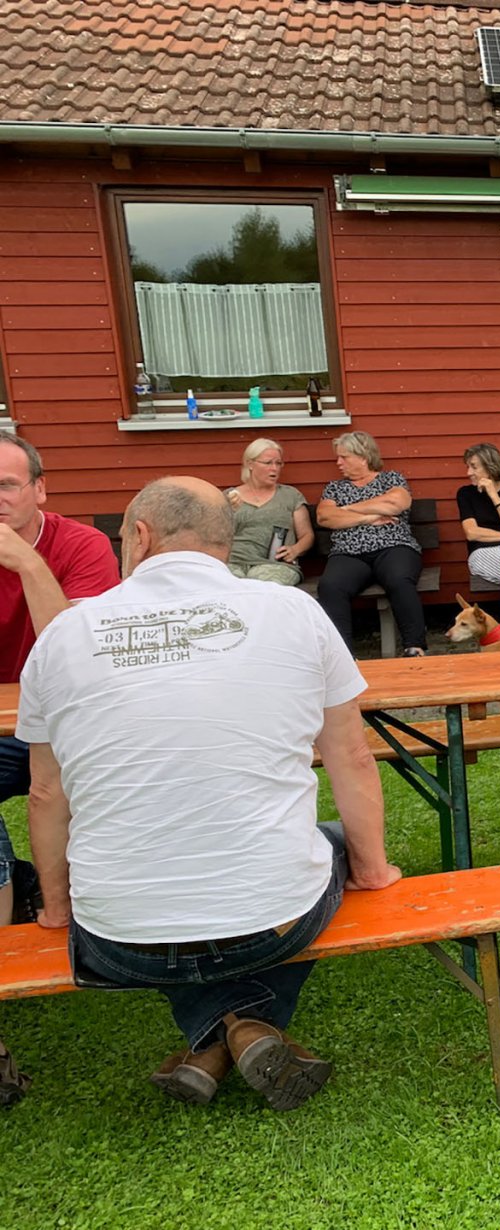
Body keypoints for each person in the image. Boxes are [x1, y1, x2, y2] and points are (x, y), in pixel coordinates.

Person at [17, 477, 402, 1108]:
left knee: (173, 879)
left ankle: (215, 1036)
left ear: (140, 537)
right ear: (225, 540)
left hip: (117, 940)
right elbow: (352, 757)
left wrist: (58, 909)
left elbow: (44, 793)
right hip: (272, 924)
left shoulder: (63, 634)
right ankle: (245, 1025)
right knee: (321, 845)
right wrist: (373, 870)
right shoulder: (295, 611)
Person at [0, 431, 120, 926]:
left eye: (6, 485)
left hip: (77, 724)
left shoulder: (82, 545)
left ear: (39, 489)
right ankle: (12, 888)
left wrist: (27, 563)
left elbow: (79, 655)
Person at [315, 431, 427, 657]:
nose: (338, 463)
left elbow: (396, 504)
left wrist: (347, 509)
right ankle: (343, 656)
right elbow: (325, 517)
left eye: (344, 457)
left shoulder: (391, 479)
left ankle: (415, 647)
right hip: (349, 553)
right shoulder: (335, 488)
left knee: (399, 579)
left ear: (363, 457)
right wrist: (368, 518)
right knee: (330, 586)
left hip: (394, 547)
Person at [224, 438, 313, 585]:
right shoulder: (230, 497)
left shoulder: (290, 495)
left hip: (275, 564)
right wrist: (228, 511)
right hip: (233, 562)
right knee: (228, 586)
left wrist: (295, 550)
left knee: (263, 588)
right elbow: (215, 536)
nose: (274, 468)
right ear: (250, 464)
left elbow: (307, 535)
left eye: (278, 463)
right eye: (268, 463)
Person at [456, 443, 500, 589]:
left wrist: (493, 495)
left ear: (490, 467)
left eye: (474, 467)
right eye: (468, 467)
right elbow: (472, 533)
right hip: (483, 553)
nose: (468, 473)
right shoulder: (466, 494)